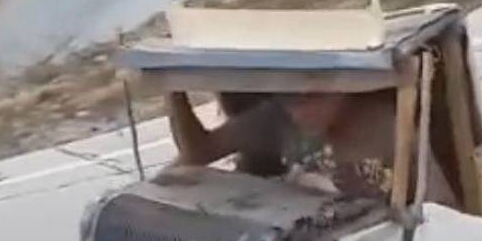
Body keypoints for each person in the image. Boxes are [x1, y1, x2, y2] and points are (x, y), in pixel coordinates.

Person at [164, 90, 457, 205]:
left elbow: (443, 208)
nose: (297, 111)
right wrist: (174, 92)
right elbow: (199, 151)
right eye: (288, 99)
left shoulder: (388, 126)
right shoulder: (278, 119)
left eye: (309, 98)